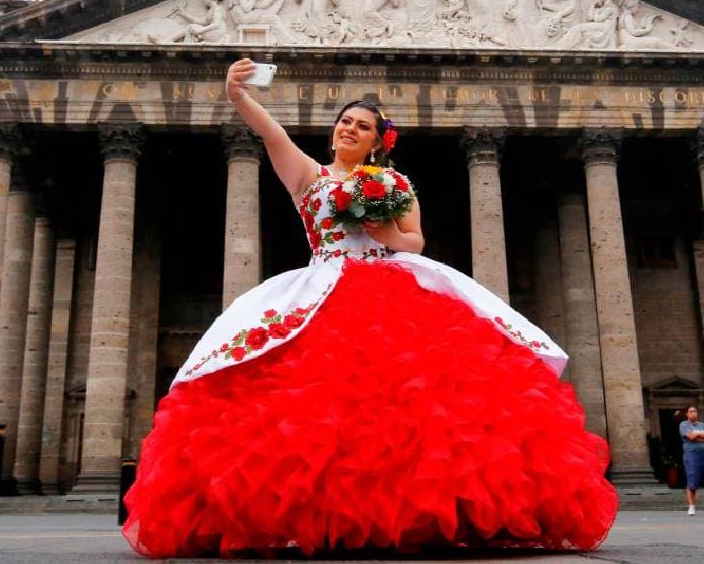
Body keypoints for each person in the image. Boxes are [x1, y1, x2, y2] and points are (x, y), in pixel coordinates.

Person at [122, 59, 618, 557]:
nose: (350, 129)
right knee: (315, 408)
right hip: (323, 287)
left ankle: (413, 514)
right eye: (345, 121)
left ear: (378, 141)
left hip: (391, 286)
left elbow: (416, 241)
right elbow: (272, 136)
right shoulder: (309, 177)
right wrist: (239, 97)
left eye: (362, 126)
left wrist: (388, 235)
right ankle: (324, 516)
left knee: (418, 406)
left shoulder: (394, 185)